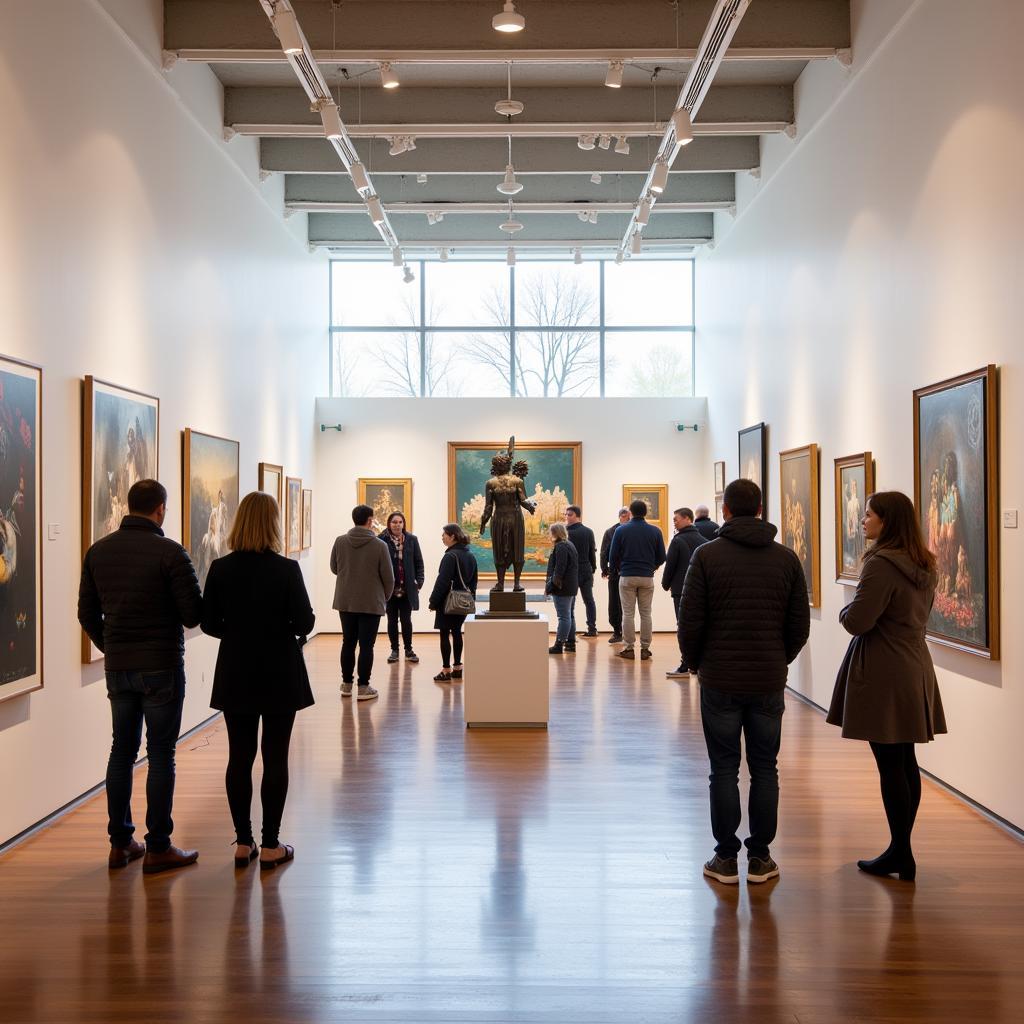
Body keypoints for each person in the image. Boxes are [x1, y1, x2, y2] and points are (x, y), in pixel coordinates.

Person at [680, 478, 810, 886]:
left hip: (720, 678)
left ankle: (724, 858)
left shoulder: (706, 556)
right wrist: (777, 661)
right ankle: (760, 857)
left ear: (726, 511)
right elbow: (798, 626)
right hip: (768, 679)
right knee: (765, 768)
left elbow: (690, 622)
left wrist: (698, 662)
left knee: (723, 769)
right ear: (759, 509)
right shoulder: (786, 559)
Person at [77, 479, 203, 874]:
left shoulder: (98, 552)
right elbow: (193, 615)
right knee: (161, 754)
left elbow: (86, 614)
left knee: (122, 751)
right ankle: (159, 846)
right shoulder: (170, 553)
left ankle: (120, 843)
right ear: (161, 509)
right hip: (161, 666)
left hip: (118, 668)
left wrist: (112, 646)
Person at [826, 491, 947, 882]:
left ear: (886, 521)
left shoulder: (881, 564)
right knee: (905, 760)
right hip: (913, 664)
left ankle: (900, 851)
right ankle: (901, 849)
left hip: (883, 668)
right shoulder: (922, 562)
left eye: (868, 515)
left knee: (890, 764)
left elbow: (858, 620)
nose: (863, 522)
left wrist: (845, 610)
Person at [201, 491, 315, 870]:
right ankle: (270, 844)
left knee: (240, 755)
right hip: (280, 668)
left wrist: (237, 634)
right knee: (275, 756)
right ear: (274, 524)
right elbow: (304, 623)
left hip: (236, 668)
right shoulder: (286, 569)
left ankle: (242, 841)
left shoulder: (220, 568)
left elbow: (208, 622)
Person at [330, 504, 394, 701]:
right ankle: (364, 687)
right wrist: (385, 596)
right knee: (367, 645)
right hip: (371, 602)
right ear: (369, 520)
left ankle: (346, 684)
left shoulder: (340, 541)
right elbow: (389, 578)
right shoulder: (379, 545)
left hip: (346, 600)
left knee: (348, 642)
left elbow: (334, 568)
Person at [608, 499, 666, 660]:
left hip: (627, 576)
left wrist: (619, 569)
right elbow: (662, 556)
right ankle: (645, 648)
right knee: (646, 613)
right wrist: (652, 567)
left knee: (628, 613)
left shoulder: (621, 530)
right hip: (647, 577)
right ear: (645, 513)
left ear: (630, 513)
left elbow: (612, 557)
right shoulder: (655, 531)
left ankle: (629, 648)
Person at [427, 524, 478, 681]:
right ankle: (458, 667)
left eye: (444, 534)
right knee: (456, 632)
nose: (442, 537)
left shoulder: (450, 556)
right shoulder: (470, 555)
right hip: (463, 601)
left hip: (448, 601)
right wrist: (470, 599)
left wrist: (433, 601)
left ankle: (446, 670)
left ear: (452, 536)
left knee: (444, 634)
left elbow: (442, 582)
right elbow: (474, 582)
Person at [661, 507, 708, 678]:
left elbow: (670, 565)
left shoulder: (677, 541)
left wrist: (665, 584)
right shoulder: (704, 541)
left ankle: (685, 664)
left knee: (683, 627)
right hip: (701, 590)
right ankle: (698, 664)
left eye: (676, 519)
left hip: (681, 590)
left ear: (688, 519)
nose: (674, 522)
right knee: (700, 625)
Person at [379, 512, 424, 665]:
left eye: (400, 522)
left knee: (406, 620)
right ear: (389, 524)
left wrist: (420, 581)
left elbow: (419, 562)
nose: (397, 525)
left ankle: (409, 650)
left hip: (407, 588)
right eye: (394, 522)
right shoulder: (381, 540)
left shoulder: (412, 540)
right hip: (389, 589)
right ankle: (394, 650)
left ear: (403, 524)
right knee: (392, 620)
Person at [545, 522, 580, 654]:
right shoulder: (569, 545)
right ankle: (570, 644)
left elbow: (559, 569)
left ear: (555, 533)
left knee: (563, 617)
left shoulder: (561, 547)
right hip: (570, 586)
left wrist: (551, 586)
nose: (549, 535)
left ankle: (559, 644)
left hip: (562, 588)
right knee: (569, 615)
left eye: (550, 532)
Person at [564, 505, 598, 640]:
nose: (566, 517)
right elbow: (592, 553)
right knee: (588, 600)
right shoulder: (588, 531)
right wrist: (593, 568)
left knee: (571, 602)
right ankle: (592, 628)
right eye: (566, 514)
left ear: (577, 516)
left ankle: (570, 634)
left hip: (573, 571)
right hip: (586, 569)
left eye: (569, 514)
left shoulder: (566, 532)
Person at [600, 507, 631, 643]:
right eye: (626, 516)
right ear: (621, 516)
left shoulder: (632, 531)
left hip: (628, 571)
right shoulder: (611, 532)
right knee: (614, 603)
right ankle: (617, 630)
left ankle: (626, 632)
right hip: (615, 572)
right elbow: (604, 551)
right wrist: (604, 568)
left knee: (627, 603)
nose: (628, 519)